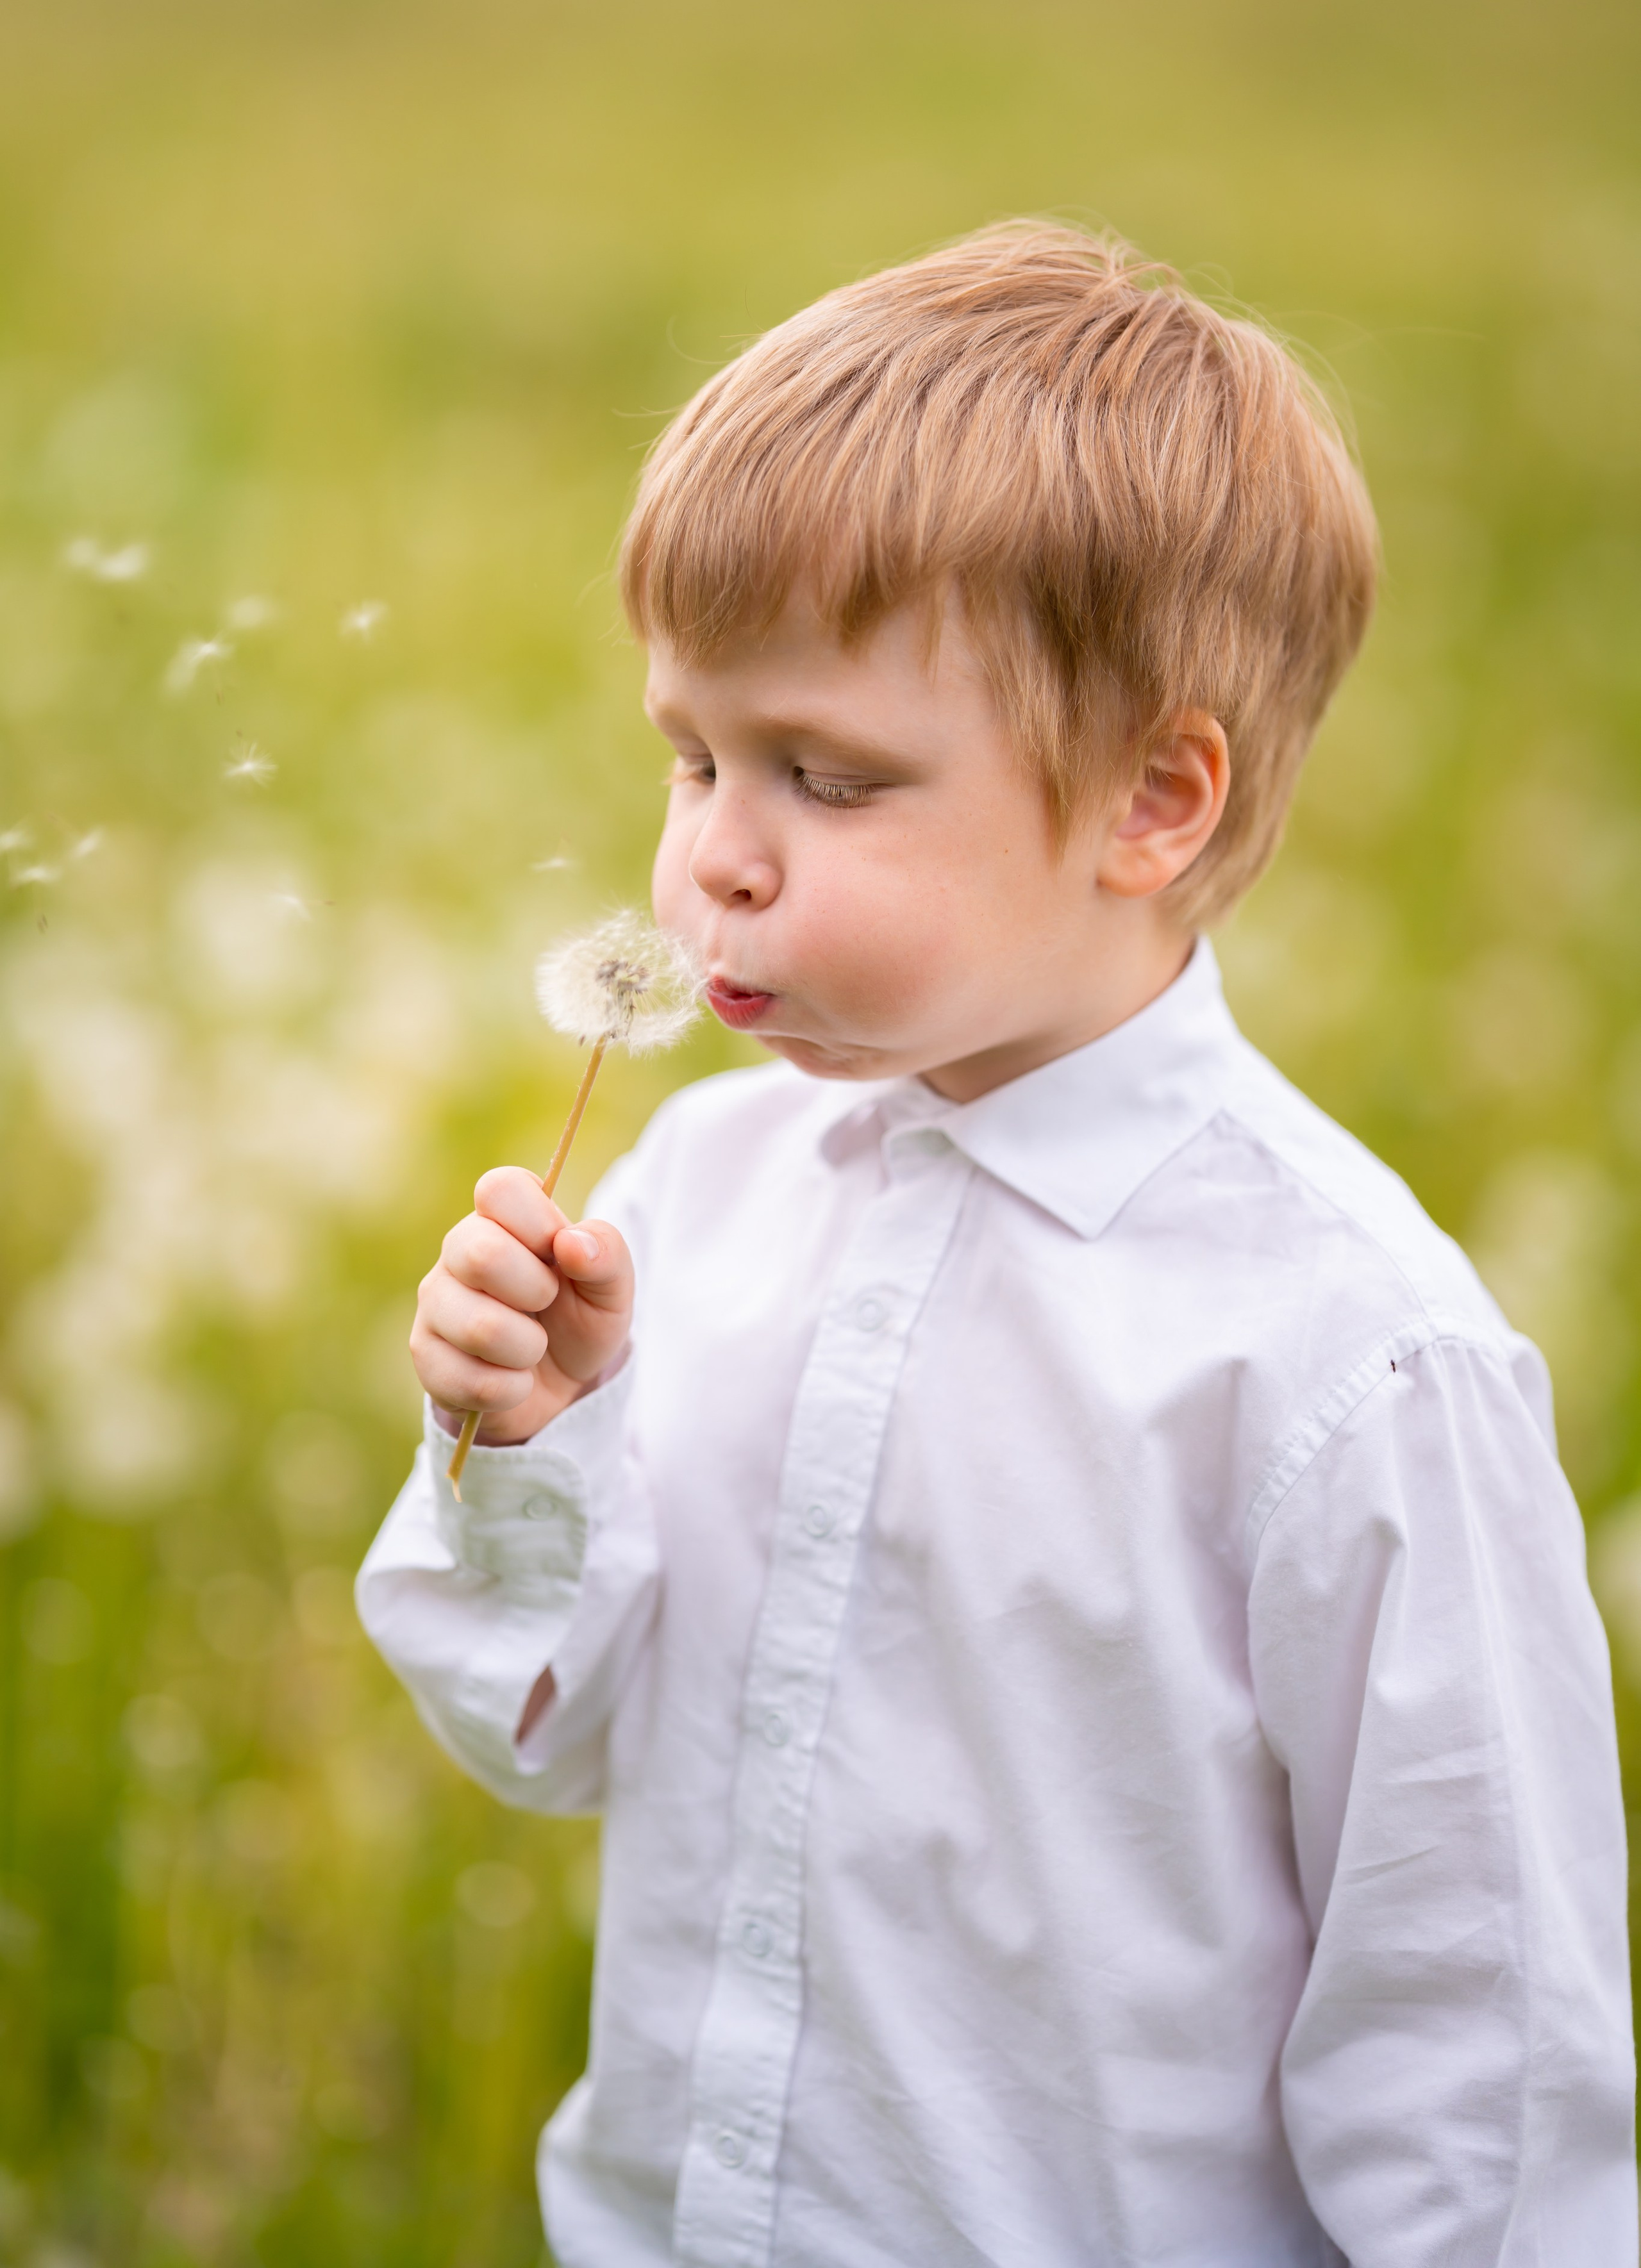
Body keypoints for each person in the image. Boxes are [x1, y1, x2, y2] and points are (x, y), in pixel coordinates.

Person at [357, 224, 1635, 2266]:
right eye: (692, 757)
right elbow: (544, 1733)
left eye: (827, 779)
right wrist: (528, 1449)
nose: (717, 856)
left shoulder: (1347, 1362)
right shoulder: (692, 1202)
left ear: (1154, 802)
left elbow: (1477, 2075)